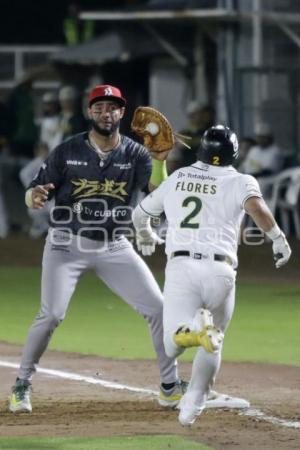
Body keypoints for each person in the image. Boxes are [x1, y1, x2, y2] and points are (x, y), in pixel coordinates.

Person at [9, 84, 186, 413]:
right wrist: (33, 196)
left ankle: (169, 386)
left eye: (113, 107)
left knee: (159, 310)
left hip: (114, 246)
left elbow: (159, 194)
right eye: (100, 107)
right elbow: (35, 188)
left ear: (122, 113)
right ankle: (22, 383)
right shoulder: (68, 149)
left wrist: (160, 160)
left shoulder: (134, 153)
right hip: (65, 245)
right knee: (51, 315)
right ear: (90, 112)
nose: (106, 113)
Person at [132, 124, 291, 427]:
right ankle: (193, 404)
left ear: (201, 150)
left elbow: (140, 214)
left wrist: (146, 235)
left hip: (182, 268)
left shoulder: (179, 177)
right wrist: (279, 240)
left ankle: (193, 327)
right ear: (233, 153)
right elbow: (256, 207)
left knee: (172, 345)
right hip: (221, 271)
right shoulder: (241, 180)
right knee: (214, 340)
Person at [167, 102, 215, 173]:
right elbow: (183, 143)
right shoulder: (184, 133)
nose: (201, 116)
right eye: (197, 114)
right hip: (188, 169)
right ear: (191, 116)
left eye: (201, 113)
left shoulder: (208, 132)